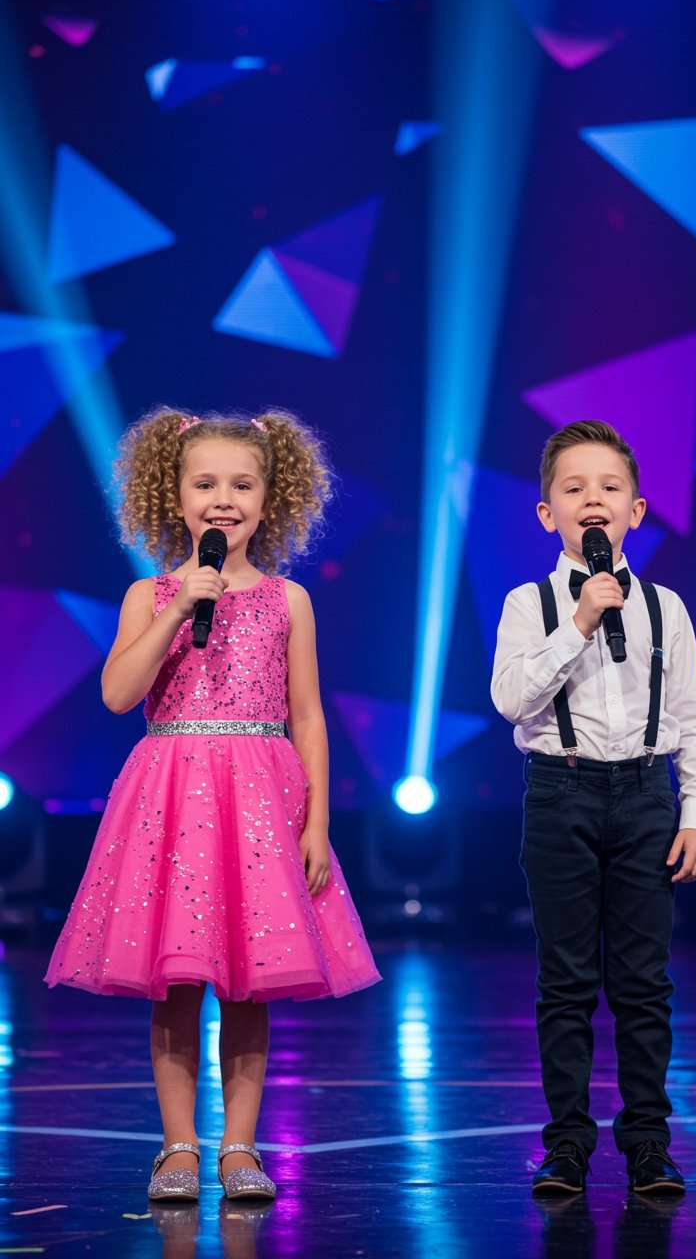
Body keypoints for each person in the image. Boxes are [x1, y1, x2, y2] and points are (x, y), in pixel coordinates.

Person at [45, 407, 381, 1202]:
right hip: (171, 799)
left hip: (260, 801)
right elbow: (119, 693)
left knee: (250, 982)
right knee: (176, 980)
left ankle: (238, 1147)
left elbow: (307, 717)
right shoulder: (149, 593)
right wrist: (176, 609)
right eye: (205, 484)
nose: (223, 499)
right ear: (176, 496)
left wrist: (317, 822)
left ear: (270, 498)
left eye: (242, 484)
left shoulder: (289, 600)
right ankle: (177, 1147)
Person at [491, 420, 696, 1198]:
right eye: (574, 488)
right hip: (562, 794)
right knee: (566, 982)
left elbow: (693, 720)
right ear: (547, 513)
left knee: (643, 983)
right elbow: (512, 700)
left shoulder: (665, 607)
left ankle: (649, 1144)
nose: (593, 498)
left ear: (636, 510)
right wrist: (580, 621)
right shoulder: (530, 604)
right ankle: (567, 1147)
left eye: (610, 487)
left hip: (647, 795)